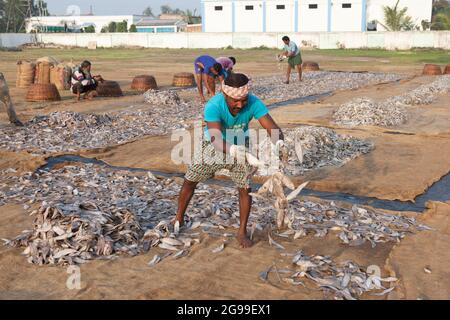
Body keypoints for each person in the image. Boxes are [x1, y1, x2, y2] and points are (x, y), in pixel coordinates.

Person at [175, 73, 288, 248]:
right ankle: (179, 218)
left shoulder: (253, 102)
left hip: (242, 143)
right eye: (235, 101)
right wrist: (233, 150)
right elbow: (215, 137)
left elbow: (272, 128)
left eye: (243, 100)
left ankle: (241, 231)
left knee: (245, 188)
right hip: (212, 147)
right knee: (190, 181)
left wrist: (279, 143)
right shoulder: (214, 105)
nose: (240, 105)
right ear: (225, 94)